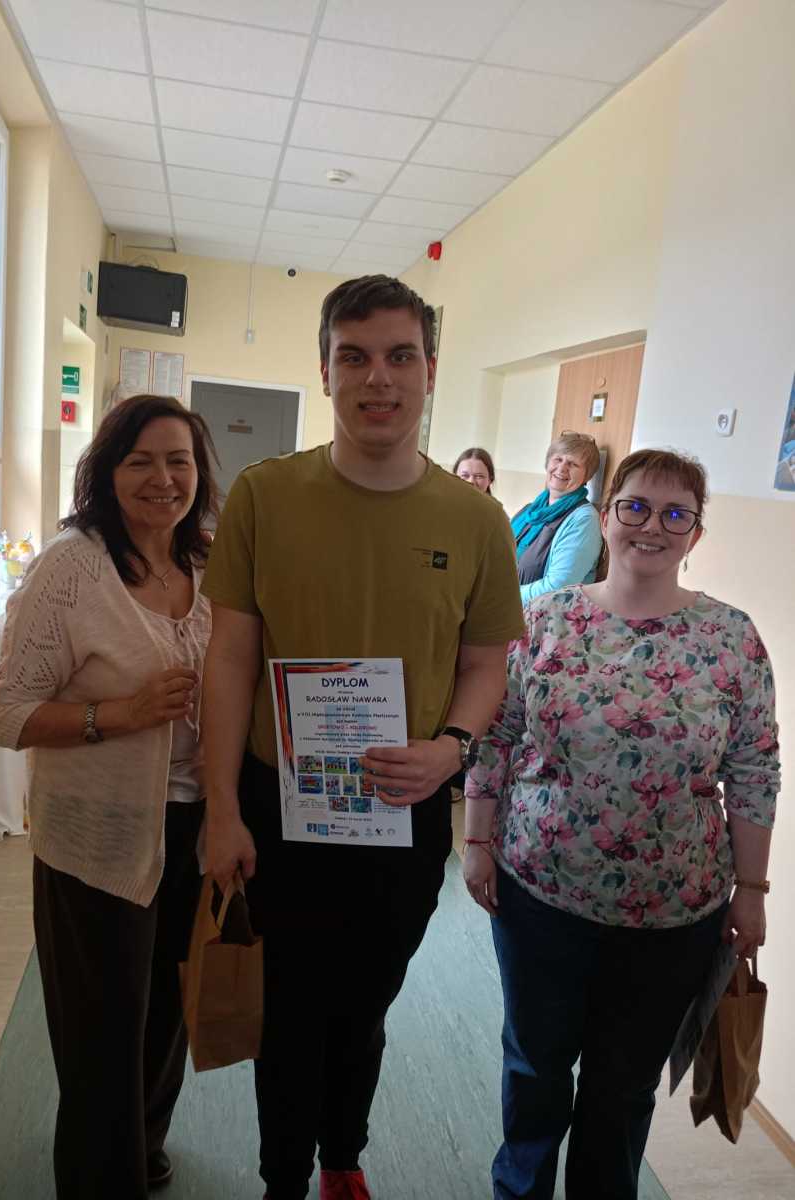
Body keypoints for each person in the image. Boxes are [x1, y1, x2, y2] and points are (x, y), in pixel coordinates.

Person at [199, 274, 526, 1200]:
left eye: (399, 356)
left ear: (430, 371)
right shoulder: (265, 496)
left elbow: (486, 663)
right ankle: (283, 1177)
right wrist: (221, 809)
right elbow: (229, 660)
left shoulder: (476, 519)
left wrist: (452, 748)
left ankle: (342, 1154)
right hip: (279, 804)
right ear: (325, 370)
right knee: (288, 1006)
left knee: (366, 1002)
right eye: (354, 357)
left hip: (404, 806)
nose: (377, 378)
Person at [463, 448, 780, 1200]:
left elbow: (756, 771)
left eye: (675, 514)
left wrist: (753, 889)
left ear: (696, 533)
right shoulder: (544, 619)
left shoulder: (732, 638)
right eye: (635, 506)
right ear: (606, 518)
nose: (652, 526)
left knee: (623, 1087)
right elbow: (497, 737)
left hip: (675, 914)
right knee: (535, 1067)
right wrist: (475, 841)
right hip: (541, 893)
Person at [0, 394, 219, 1200]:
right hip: (97, 836)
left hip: (194, 829)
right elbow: (9, 715)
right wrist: (120, 714)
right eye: (140, 461)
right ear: (107, 472)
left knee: (167, 1017)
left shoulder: (209, 562)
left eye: (179, 461)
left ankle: (143, 1147)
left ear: (200, 473)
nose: (163, 479)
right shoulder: (72, 568)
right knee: (101, 1036)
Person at [510, 430, 603, 603]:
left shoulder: (584, 520)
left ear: (587, 476)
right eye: (558, 459)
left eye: (573, 464)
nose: (562, 468)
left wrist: (500, 595)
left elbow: (557, 587)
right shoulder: (530, 510)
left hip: (539, 614)